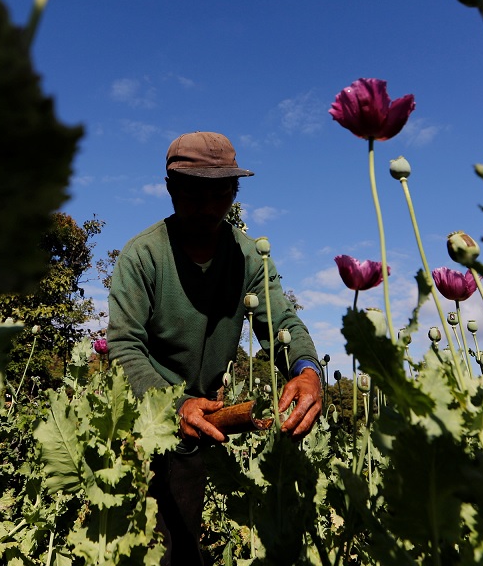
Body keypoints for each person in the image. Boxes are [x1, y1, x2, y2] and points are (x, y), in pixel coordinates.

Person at [107, 131, 323, 565]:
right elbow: (125, 346)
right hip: (140, 425)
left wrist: (307, 370)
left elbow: (280, 321)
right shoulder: (142, 256)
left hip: (201, 427)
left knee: (182, 548)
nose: (208, 206)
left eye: (221, 192)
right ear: (170, 188)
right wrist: (175, 405)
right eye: (194, 192)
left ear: (235, 192)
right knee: (139, 549)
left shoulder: (249, 258)